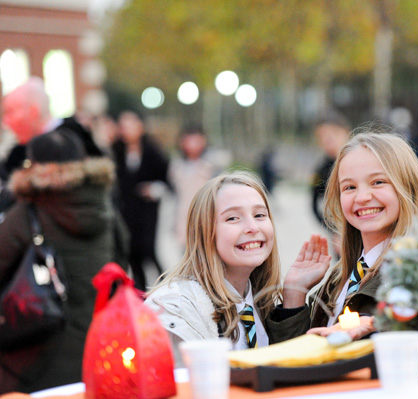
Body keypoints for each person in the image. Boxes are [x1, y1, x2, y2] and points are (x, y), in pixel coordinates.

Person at [145, 171, 330, 365]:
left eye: (259, 215)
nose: (252, 227)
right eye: (233, 218)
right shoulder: (176, 311)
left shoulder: (260, 303)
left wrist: (293, 297)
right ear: (205, 232)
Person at [0, 130, 126, 394]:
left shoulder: (27, 213)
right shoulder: (105, 208)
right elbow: (121, 264)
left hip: (35, 357)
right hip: (99, 350)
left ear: (35, 166)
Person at [272, 131, 418, 339]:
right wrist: (295, 295)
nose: (362, 197)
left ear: (407, 187)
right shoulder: (337, 281)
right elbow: (300, 361)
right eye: (349, 187)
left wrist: (379, 324)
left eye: (378, 182)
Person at [112, 110, 170, 291]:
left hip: (147, 211)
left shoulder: (152, 151)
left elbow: (166, 180)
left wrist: (153, 189)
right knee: (132, 254)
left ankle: (167, 286)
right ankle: (140, 292)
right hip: (126, 211)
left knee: (148, 251)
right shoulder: (116, 151)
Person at [168, 123, 216, 252]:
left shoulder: (210, 166)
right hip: (184, 218)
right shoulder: (177, 166)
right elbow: (175, 195)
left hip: (206, 216)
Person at [310, 112, 352, 257]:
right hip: (341, 241)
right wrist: (334, 231)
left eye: (333, 133)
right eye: (322, 136)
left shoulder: (363, 160)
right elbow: (315, 205)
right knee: (351, 278)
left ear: (347, 132)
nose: (328, 139)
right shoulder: (322, 170)